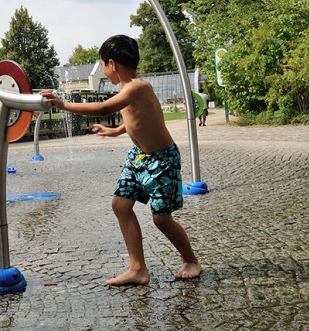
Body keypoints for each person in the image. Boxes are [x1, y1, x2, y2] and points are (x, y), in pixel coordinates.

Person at [41, 35, 201, 285]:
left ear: (111, 63)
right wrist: (115, 131)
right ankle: (137, 268)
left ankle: (190, 260)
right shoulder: (129, 90)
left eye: (103, 65)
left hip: (162, 161)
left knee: (161, 219)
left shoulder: (138, 87)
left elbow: (105, 108)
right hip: (138, 158)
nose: (105, 71)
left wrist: (64, 106)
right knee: (120, 205)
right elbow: (139, 120)